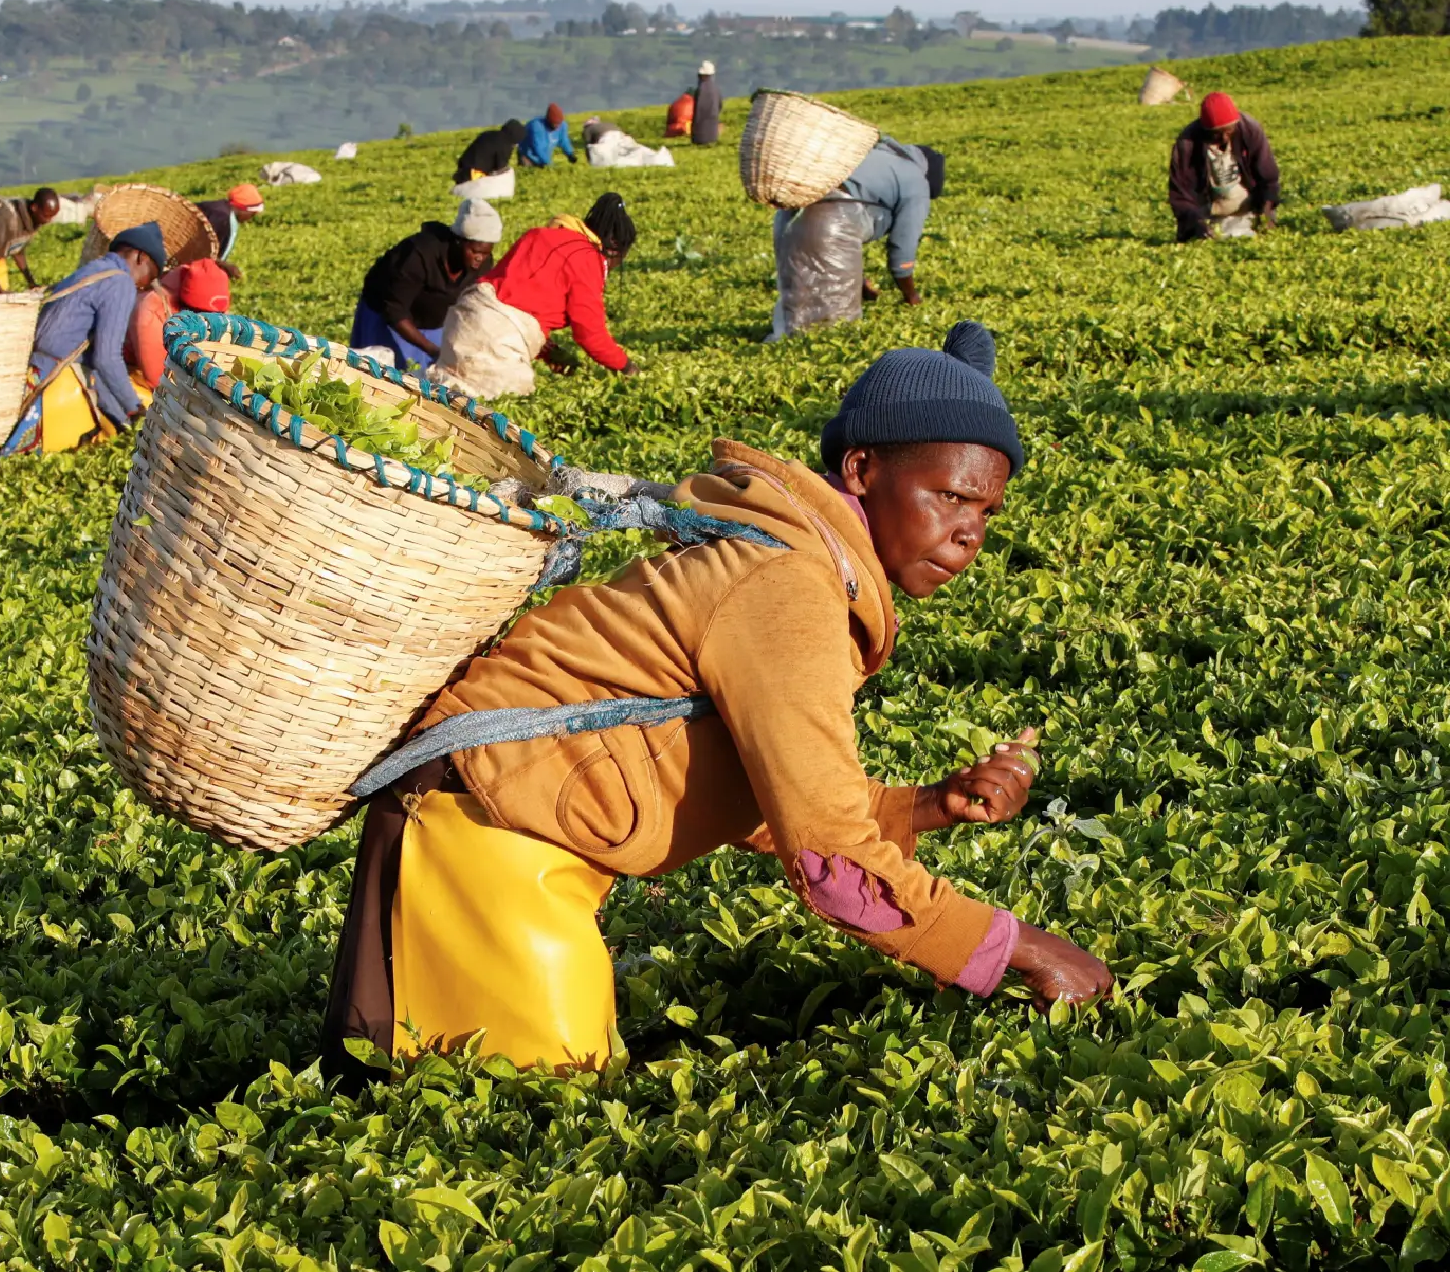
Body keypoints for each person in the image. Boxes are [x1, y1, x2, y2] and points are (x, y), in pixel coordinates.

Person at [321, 321, 1114, 1075]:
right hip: (475, 832)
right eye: (949, 496)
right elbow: (832, 865)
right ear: (863, 471)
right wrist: (1023, 948)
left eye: (985, 511)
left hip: (487, 820)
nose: (969, 532)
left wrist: (932, 805)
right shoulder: (790, 587)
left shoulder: (796, 564)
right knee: (524, 1114)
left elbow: (769, 794)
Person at [429, 193, 638, 399]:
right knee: (494, 417)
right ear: (614, 247)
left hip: (465, 318)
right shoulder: (587, 258)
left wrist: (547, 350)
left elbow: (513, 298)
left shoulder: (539, 234)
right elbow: (590, 334)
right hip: (494, 340)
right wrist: (627, 367)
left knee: (446, 396)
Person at [0, 222, 164, 459]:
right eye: (148, 277)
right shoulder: (120, 282)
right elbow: (106, 358)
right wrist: (135, 409)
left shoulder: (90, 270)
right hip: (54, 381)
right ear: (140, 258)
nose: (142, 285)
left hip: (30, 372)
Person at [767, 137, 936, 340]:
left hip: (789, 215)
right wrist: (911, 296)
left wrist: (859, 282)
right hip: (829, 218)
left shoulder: (877, 156)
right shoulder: (916, 182)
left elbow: (841, 242)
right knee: (835, 331)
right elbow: (902, 248)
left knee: (796, 301)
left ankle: (789, 343)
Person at [349, 199, 501, 370]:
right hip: (387, 321)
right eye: (475, 251)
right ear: (459, 241)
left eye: (486, 253)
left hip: (433, 325)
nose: (479, 258)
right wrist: (432, 349)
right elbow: (395, 312)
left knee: (427, 385)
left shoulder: (483, 265)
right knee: (380, 374)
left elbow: (476, 306)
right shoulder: (418, 255)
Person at [1169, 92, 1280, 242]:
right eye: (1216, 134)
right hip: (1209, 216)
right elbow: (1181, 195)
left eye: (1229, 131)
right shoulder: (1188, 144)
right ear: (1205, 130)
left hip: (1249, 210)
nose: (1224, 138)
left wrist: (1267, 212)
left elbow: (1268, 177)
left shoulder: (1249, 130)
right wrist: (1196, 224)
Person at [125, 257, 233, 405]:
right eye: (201, 314)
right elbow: (157, 379)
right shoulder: (152, 312)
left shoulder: (214, 305)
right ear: (185, 306)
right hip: (136, 371)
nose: (208, 323)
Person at [196, 184, 265, 267]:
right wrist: (225, 266)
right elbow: (200, 248)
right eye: (252, 214)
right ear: (243, 209)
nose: (250, 218)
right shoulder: (221, 216)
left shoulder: (220, 208)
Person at [454, 120, 527, 185]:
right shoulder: (505, 144)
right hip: (475, 173)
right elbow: (501, 167)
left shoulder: (488, 134)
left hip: (463, 169)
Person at [518, 104, 577, 168]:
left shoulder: (562, 125)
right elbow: (538, 148)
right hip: (528, 157)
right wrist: (550, 164)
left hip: (544, 157)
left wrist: (570, 154)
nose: (557, 127)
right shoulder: (536, 126)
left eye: (558, 124)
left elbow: (563, 140)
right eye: (555, 124)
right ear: (548, 120)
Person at [691, 61, 723, 147]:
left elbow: (696, 111)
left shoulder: (700, 89)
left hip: (698, 136)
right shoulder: (716, 89)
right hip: (713, 134)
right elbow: (720, 105)